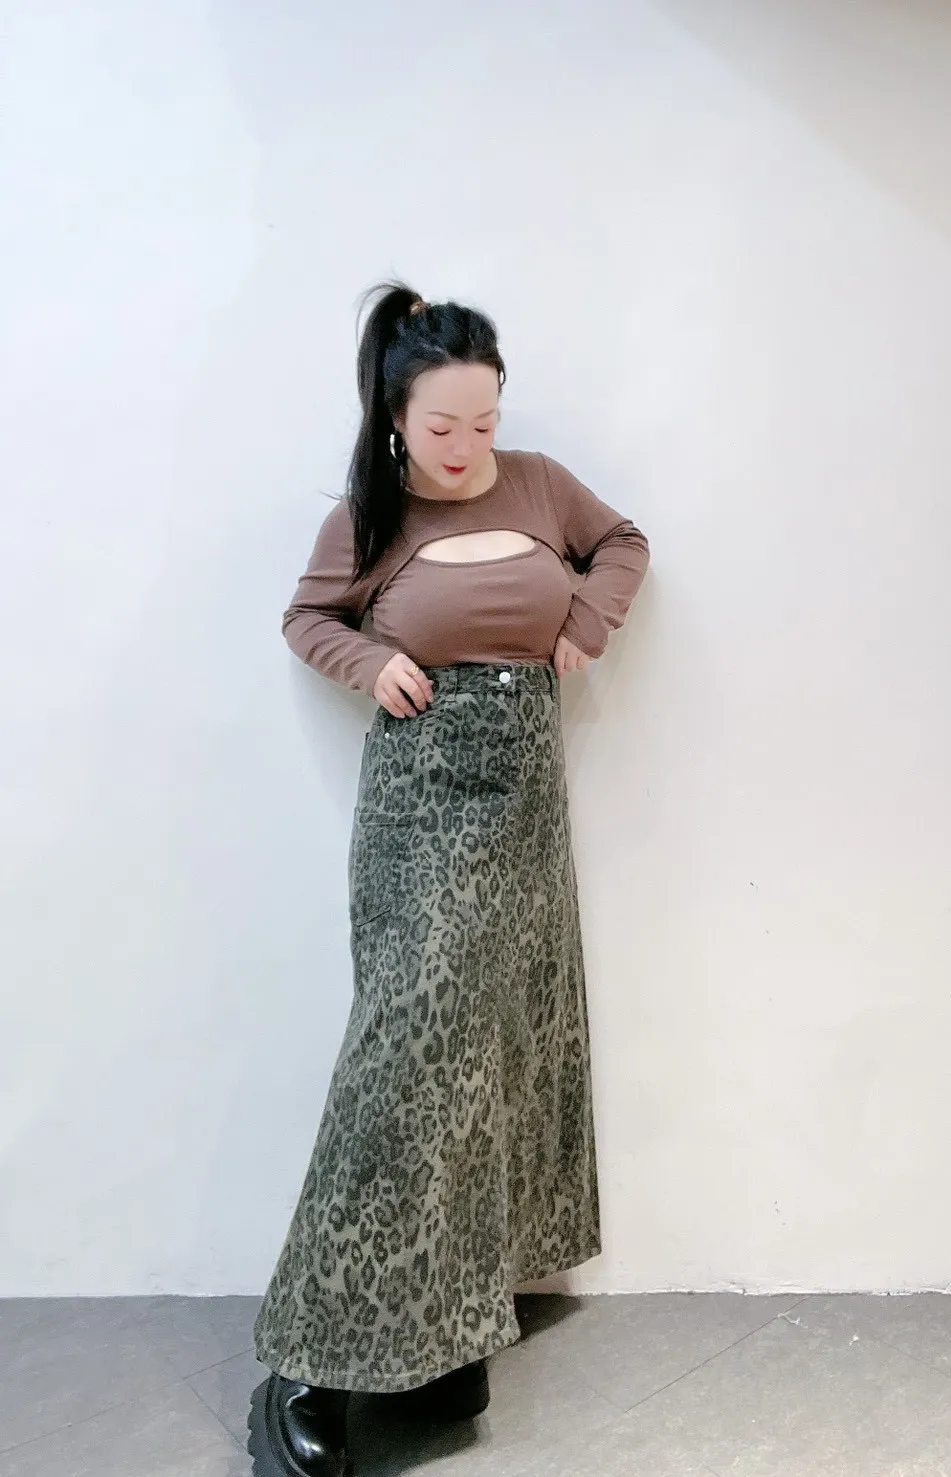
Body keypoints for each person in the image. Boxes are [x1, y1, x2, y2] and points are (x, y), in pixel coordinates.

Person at [248, 280, 650, 1477]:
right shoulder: (368, 516)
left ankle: (442, 1330)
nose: (468, 447)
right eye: (442, 427)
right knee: (405, 1063)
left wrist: (587, 621)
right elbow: (307, 619)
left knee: (498, 1058)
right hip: (421, 804)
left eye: (484, 421)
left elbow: (622, 544)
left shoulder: (540, 484)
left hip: (523, 805)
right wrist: (369, 664)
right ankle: (310, 1359)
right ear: (394, 418)